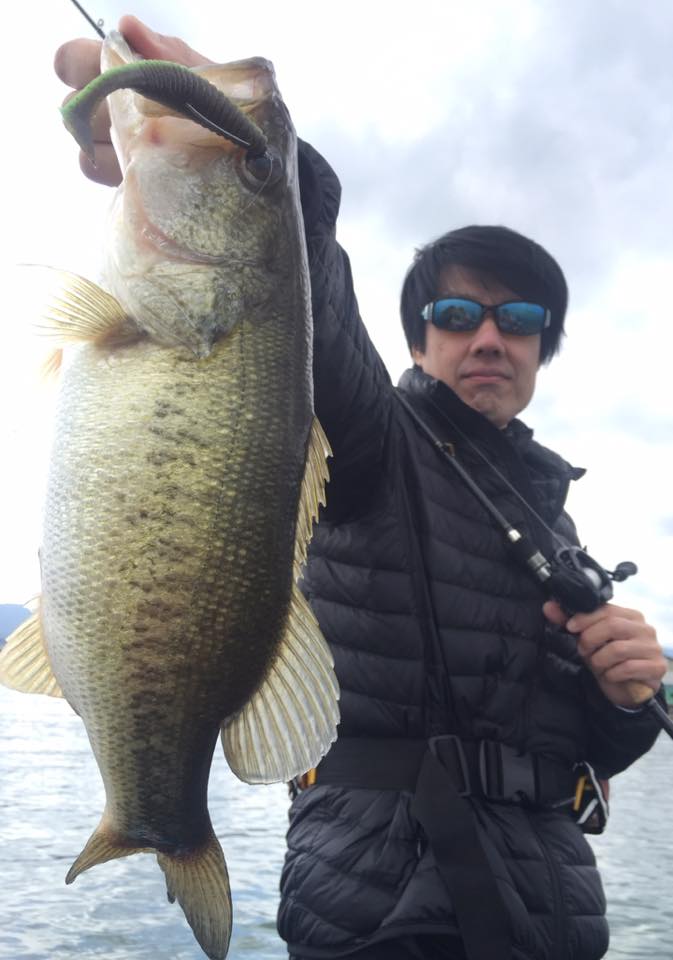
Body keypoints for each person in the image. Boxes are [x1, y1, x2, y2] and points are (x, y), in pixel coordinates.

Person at [54, 18, 667, 960]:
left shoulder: (552, 521)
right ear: (419, 339)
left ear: (543, 348)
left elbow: (575, 743)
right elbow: (315, 329)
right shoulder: (373, 439)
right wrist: (265, 161)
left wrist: (621, 699)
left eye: (518, 319)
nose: (488, 337)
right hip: (374, 903)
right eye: (456, 313)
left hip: (548, 914)